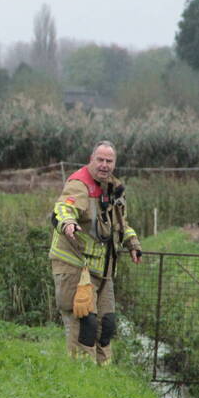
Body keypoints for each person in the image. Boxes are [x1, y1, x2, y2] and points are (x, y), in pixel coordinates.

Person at [49, 140, 142, 365]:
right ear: (91, 160)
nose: (104, 165)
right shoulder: (79, 184)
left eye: (109, 161)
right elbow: (63, 208)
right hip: (75, 266)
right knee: (84, 323)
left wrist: (132, 242)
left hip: (104, 269)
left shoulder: (114, 189)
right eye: (100, 160)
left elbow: (120, 224)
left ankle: (103, 377)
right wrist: (68, 223)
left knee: (107, 324)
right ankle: (80, 375)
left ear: (114, 164)